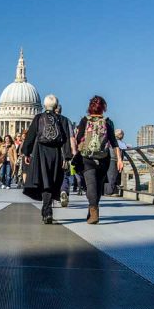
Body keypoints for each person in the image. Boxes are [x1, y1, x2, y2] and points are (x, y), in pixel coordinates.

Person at [22, 94, 72, 224]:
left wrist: (26, 153)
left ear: (44, 106)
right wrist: (67, 157)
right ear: (56, 106)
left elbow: (30, 136)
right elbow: (66, 140)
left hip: (41, 152)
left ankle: (47, 210)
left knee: (44, 181)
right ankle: (47, 209)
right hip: (56, 153)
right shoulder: (63, 120)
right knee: (52, 181)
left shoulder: (38, 118)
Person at [76, 95, 124, 224]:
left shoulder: (84, 121)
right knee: (97, 186)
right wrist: (119, 159)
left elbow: (78, 138)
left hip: (87, 157)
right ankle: (92, 210)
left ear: (90, 107)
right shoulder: (108, 122)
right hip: (104, 158)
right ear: (103, 108)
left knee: (90, 186)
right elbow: (114, 143)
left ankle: (94, 212)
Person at [56, 104, 77, 208]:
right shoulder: (66, 120)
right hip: (64, 152)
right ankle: (63, 191)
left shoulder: (44, 119)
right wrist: (74, 152)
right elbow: (72, 138)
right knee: (64, 175)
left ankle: (50, 197)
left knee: (51, 175)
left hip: (50, 153)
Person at [104, 129, 125, 196]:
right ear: (120, 135)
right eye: (122, 134)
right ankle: (110, 192)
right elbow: (123, 147)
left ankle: (107, 191)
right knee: (113, 175)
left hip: (108, 158)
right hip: (114, 159)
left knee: (108, 175)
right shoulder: (117, 141)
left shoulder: (109, 140)